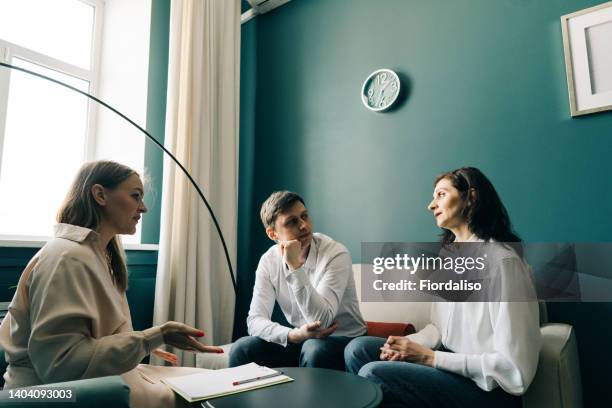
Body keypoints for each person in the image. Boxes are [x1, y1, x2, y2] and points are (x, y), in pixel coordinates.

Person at [0, 160, 223, 408]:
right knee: (215, 394)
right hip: (50, 397)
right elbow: (60, 366)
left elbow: (88, 339)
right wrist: (150, 339)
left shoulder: (97, 255)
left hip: (97, 381)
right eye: (135, 196)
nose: (144, 208)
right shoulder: (67, 258)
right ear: (100, 194)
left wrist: (136, 346)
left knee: (216, 383)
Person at [344, 167, 541, 408]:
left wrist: (430, 357)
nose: (431, 205)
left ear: (471, 198)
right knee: (358, 350)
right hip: (450, 372)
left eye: (441, 194)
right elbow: (440, 330)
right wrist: (409, 345)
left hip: (487, 391)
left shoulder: (503, 263)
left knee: (374, 373)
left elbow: (515, 370)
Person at [229, 191, 366, 370]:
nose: (303, 225)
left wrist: (294, 267)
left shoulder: (335, 253)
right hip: (302, 339)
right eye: (292, 221)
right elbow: (254, 321)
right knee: (242, 348)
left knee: (315, 348)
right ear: (272, 234)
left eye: (304, 216)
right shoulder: (268, 261)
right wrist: (294, 335)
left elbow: (322, 321)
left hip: (344, 340)